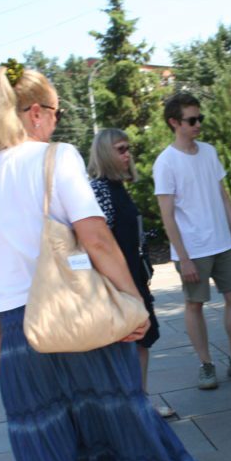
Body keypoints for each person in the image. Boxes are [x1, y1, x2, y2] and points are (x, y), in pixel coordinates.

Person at [0, 61, 231, 461]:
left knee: (45, 455)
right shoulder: (56, 159)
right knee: (128, 430)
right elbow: (99, 239)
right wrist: (132, 304)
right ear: (36, 113)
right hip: (81, 323)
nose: (58, 123)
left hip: (22, 333)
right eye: (56, 113)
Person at [153, 92, 231, 391]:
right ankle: (206, 365)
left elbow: (222, 196)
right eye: (192, 120)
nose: (198, 124)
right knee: (194, 304)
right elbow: (167, 214)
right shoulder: (165, 162)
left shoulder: (209, 152)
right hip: (193, 249)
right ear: (174, 122)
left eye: (200, 118)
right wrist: (183, 257)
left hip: (221, 243)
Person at [88, 129, 175, 419]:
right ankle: (127, 408)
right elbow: (97, 242)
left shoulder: (117, 187)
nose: (128, 154)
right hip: (115, 284)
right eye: (121, 149)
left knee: (141, 341)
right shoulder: (99, 190)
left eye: (128, 149)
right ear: (104, 153)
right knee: (125, 344)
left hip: (134, 278)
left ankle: (139, 402)